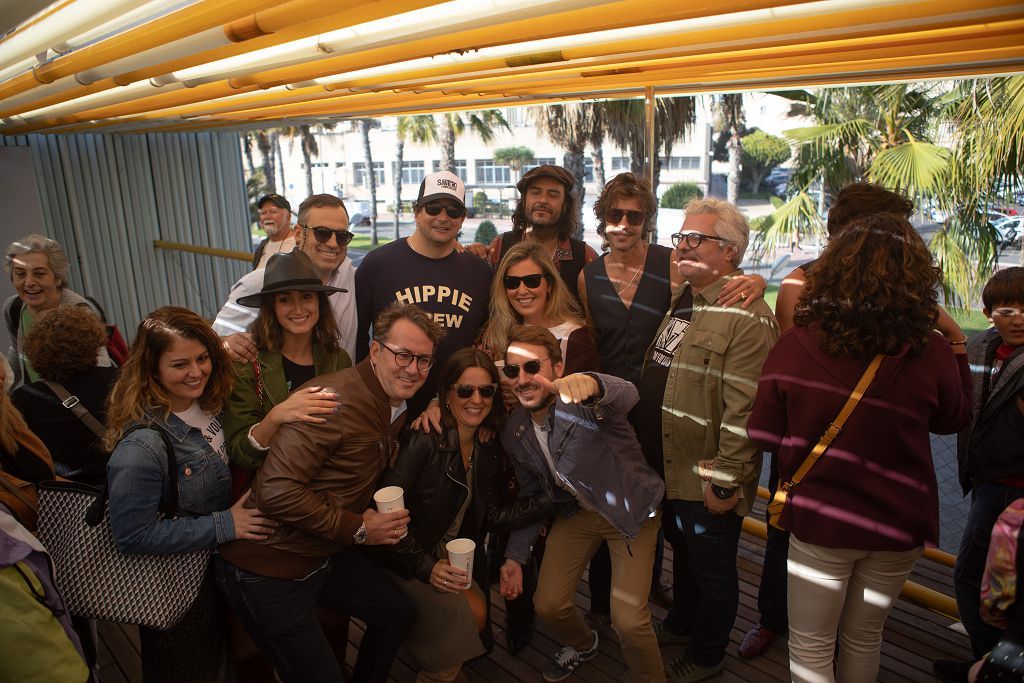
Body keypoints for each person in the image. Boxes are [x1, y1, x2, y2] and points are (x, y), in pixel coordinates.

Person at [742, 182, 966, 660]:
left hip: (822, 512)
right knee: (865, 638)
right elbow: (953, 418)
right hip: (900, 520)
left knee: (812, 642)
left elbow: (763, 432)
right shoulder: (933, 349)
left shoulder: (801, 340)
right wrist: (959, 346)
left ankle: (768, 622)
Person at [215, 303, 441, 683]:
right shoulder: (331, 402)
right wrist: (359, 528)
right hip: (269, 566)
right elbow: (276, 492)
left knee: (397, 615)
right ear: (374, 351)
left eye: (424, 360)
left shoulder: (394, 404)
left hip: (321, 552)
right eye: (403, 355)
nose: (413, 368)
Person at [579, 174, 765, 630]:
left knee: (699, 554)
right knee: (651, 532)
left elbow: (745, 406)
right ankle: (648, 616)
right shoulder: (604, 279)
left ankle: (696, 639)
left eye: (634, 216)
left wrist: (752, 279)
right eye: (613, 214)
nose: (623, 224)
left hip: (691, 451)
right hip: (629, 431)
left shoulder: (685, 276)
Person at [633, 198, 778, 683]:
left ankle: (708, 651)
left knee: (712, 566)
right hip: (670, 465)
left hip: (705, 472)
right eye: (682, 237)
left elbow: (747, 409)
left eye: (698, 239)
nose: (684, 246)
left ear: (731, 250)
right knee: (684, 552)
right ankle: (682, 621)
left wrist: (726, 479)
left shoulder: (747, 315)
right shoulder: (687, 297)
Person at [104, 306, 277, 683]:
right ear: (152, 370)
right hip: (179, 592)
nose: (196, 371)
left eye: (202, 358)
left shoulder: (210, 402)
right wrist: (226, 523)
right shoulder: (142, 447)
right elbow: (132, 536)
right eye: (180, 364)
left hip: (216, 576)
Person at [372, 347, 554, 682]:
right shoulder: (424, 439)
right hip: (404, 556)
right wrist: (427, 567)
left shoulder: (487, 444)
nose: (477, 400)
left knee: (476, 615)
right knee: (470, 616)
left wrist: (551, 498)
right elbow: (386, 522)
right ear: (446, 394)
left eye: (486, 391)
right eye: (465, 390)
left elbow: (495, 515)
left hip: (451, 550)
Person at [498, 324, 665, 683]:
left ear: (557, 368)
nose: (523, 379)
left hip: (630, 511)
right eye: (512, 370)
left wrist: (592, 384)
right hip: (578, 514)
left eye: (532, 367)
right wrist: (515, 555)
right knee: (548, 605)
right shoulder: (515, 430)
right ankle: (585, 643)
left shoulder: (584, 401)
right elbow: (532, 499)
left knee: (629, 620)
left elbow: (627, 394)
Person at [935, 267, 1024, 683]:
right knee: (990, 579)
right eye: (1007, 309)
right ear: (988, 313)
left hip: (1014, 490)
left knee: (973, 575)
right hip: (987, 481)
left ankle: (992, 665)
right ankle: (989, 661)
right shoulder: (980, 349)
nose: (1018, 318)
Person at [355, 171, 492, 416]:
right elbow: (357, 341)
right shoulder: (377, 265)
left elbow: (483, 342)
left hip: (456, 407)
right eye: (433, 208)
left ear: (462, 219)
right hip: (388, 408)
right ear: (417, 212)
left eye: (453, 211)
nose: (443, 217)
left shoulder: (480, 273)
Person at [223, 249, 350, 473]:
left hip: (329, 481)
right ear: (271, 308)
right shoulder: (246, 363)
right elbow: (240, 452)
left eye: (306, 296)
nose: (298, 309)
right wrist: (277, 416)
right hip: (273, 487)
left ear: (319, 302)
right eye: (285, 300)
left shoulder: (338, 359)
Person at [214, 194, 357, 361]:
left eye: (342, 236)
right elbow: (214, 343)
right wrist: (225, 343)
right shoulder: (257, 284)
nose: (333, 243)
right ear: (298, 233)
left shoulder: (355, 280)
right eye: (322, 233)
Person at [13, 307, 117, 487]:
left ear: (34, 350)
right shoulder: (121, 379)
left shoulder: (25, 398)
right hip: (123, 484)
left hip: (67, 498)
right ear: (94, 342)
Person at [3, 234, 112, 390]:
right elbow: (17, 351)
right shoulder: (12, 307)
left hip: (74, 407)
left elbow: (101, 370)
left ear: (58, 278)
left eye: (39, 273)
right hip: (38, 401)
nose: (29, 282)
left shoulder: (80, 312)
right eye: (20, 274)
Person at [482, 242, 599, 375]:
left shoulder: (575, 339)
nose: (522, 291)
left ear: (549, 284)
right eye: (512, 282)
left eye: (532, 281)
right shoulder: (496, 334)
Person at [487, 164, 598, 301]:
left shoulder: (585, 257)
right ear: (524, 200)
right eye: (535, 192)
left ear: (565, 206)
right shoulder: (500, 246)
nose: (543, 200)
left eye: (553, 195)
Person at [252, 194, 296, 270]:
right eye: (263, 213)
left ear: (288, 217)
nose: (267, 217)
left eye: (273, 211)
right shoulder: (262, 246)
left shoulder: (300, 245)